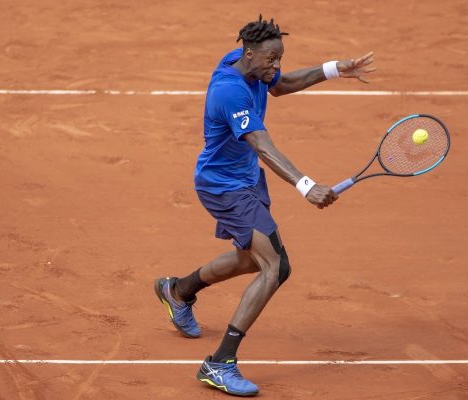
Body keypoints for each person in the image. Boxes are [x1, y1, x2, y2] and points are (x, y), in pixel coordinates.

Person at [154, 15, 375, 397]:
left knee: (251, 260)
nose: (276, 67)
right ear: (250, 52)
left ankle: (177, 290)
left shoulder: (248, 64)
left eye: (279, 58)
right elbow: (262, 145)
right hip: (224, 187)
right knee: (276, 265)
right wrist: (306, 185)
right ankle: (219, 363)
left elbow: (283, 85)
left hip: (246, 180)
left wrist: (332, 70)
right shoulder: (230, 91)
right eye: (271, 60)